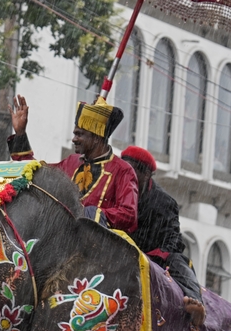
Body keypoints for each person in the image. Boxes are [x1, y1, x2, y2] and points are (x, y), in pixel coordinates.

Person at [8, 95, 138, 233]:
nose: (74, 139)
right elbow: (38, 174)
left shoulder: (123, 170)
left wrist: (93, 214)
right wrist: (20, 133)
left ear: (96, 138)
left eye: (79, 134)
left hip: (98, 244)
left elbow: (128, 214)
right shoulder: (71, 162)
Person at [121, 145, 206, 326]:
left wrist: (155, 256)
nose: (124, 174)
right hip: (118, 249)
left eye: (130, 170)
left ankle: (195, 300)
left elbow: (173, 238)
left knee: (179, 262)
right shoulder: (116, 190)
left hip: (154, 257)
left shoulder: (164, 202)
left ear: (145, 175)